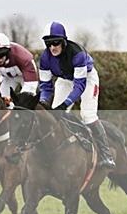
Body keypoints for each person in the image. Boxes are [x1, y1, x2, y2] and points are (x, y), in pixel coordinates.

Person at [38, 21, 115, 169]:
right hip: (65, 80)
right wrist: (42, 101)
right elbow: (46, 87)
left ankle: (106, 155)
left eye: (56, 42)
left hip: (87, 78)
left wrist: (65, 103)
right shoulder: (45, 59)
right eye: (48, 43)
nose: (52, 47)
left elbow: (80, 86)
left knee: (87, 115)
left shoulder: (77, 53)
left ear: (64, 41)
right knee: (54, 116)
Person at [0, 32, 39, 102]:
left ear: (8, 51)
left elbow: (31, 83)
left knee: (26, 101)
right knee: (3, 100)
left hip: (25, 76)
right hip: (7, 77)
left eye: (0, 55)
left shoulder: (23, 57)